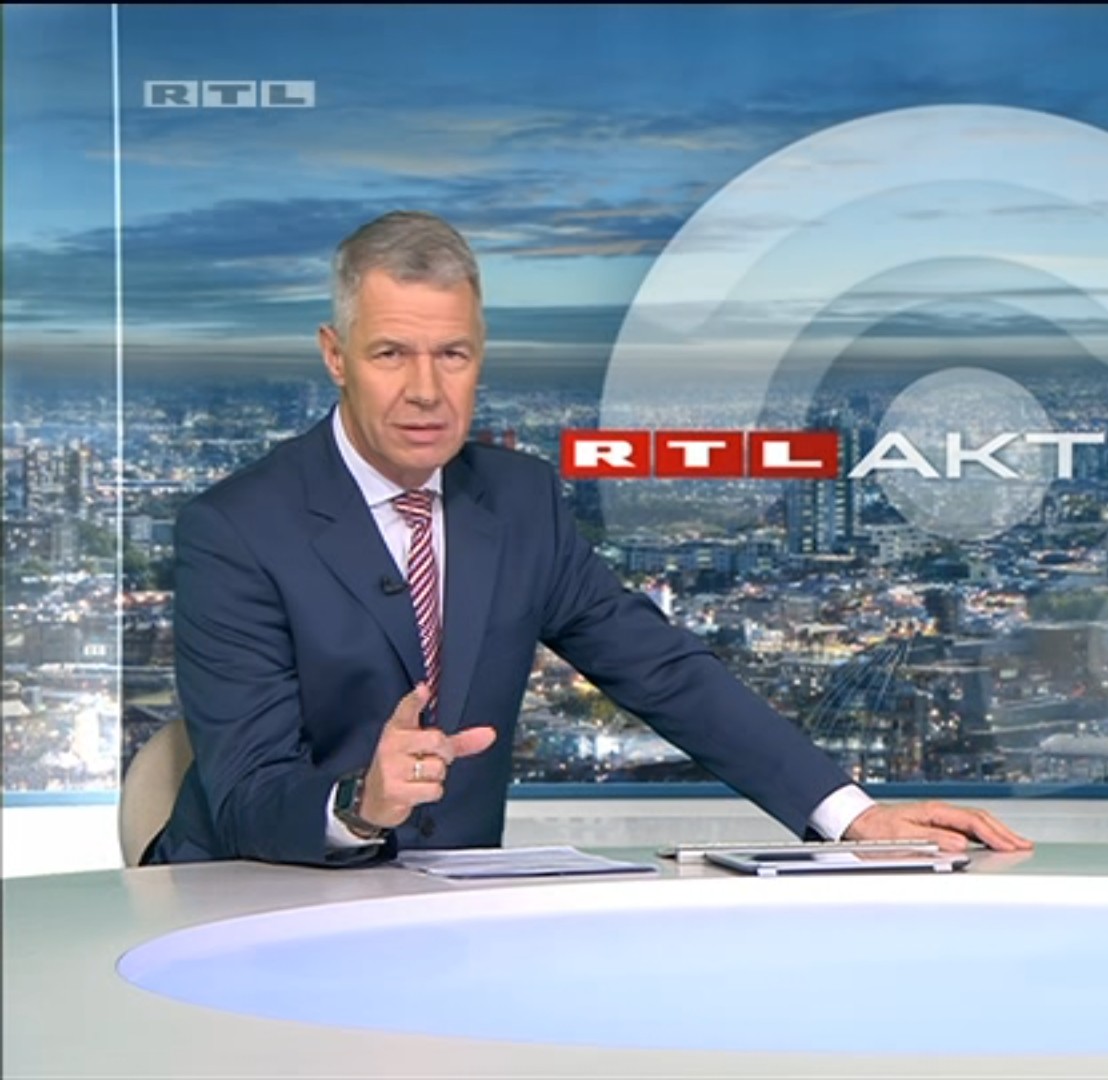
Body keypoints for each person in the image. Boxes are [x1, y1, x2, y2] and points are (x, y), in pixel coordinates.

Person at [145, 210, 1031, 866]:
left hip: (445, 904)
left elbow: (661, 669)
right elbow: (249, 793)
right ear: (336, 356)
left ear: (481, 355)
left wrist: (850, 815)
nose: (425, 390)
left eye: (452, 355)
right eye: (391, 355)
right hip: (251, 889)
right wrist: (360, 804)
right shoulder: (237, 528)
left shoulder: (519, 500)